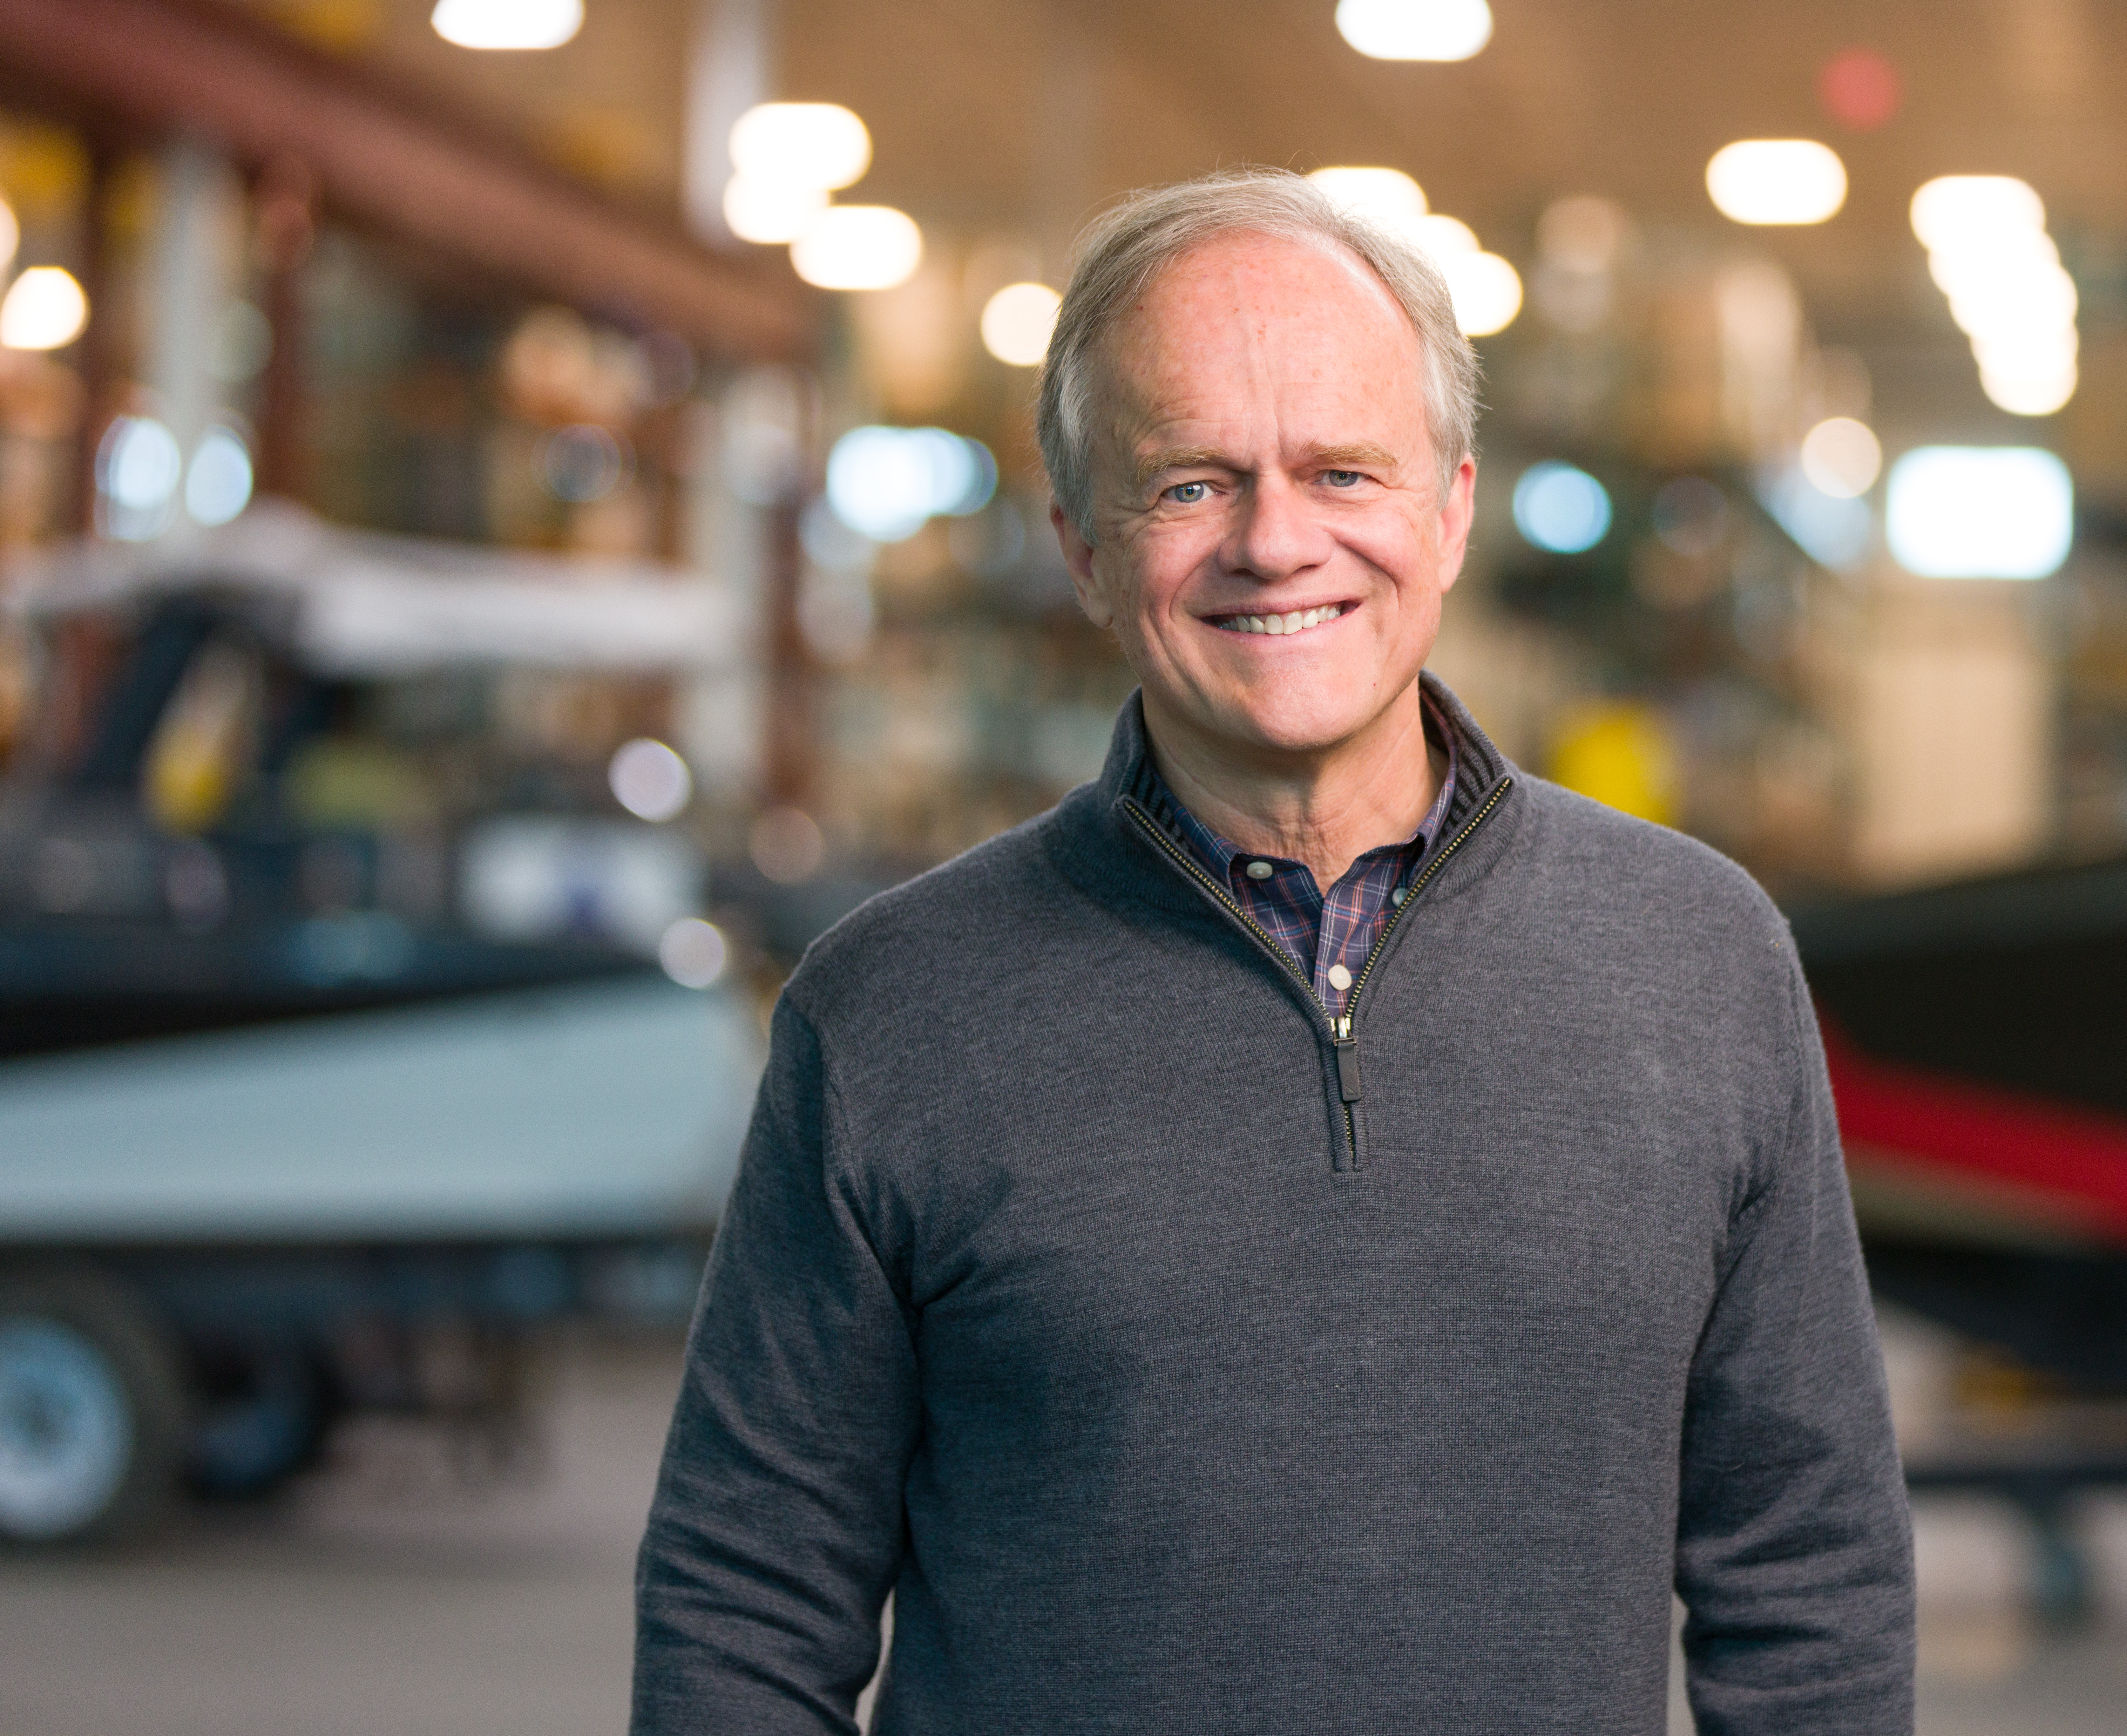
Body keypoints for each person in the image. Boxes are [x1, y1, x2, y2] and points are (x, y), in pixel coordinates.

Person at [633, 166, 1914, 1736]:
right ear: (1082, 547)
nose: (1274, 541)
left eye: (1341, 472)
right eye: (1189, 485)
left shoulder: (1698, 962)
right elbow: (745, 1604)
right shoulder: (893, 1011)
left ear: (1448, 509)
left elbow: (1809, 1579)